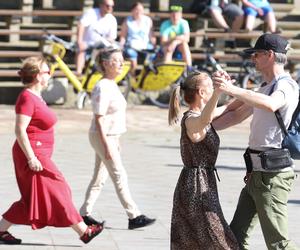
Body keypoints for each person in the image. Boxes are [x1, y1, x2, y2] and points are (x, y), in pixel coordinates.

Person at [0, 56, 103, 245]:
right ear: (38, 76)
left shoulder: (36, 96)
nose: (50, 75)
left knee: (32, 199)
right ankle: (84, 231)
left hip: (39, 153)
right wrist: (31, 158)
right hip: (32, 154)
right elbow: (20, 129)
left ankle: (0, 230)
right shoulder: (26, 97)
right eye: (48, 72)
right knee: (59, 190)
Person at [213, 33, 299, 249]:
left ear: (270, 55)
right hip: (256, 174)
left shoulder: (286, 86)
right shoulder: (264, 87)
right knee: (235, 237)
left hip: (272, 177)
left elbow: (271, 104)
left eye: (256, 54)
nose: (253, 59)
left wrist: (232, 89)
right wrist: (201, 127)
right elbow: (235, 116)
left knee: (278, 243)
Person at [79, 47, 156, 230]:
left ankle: (84, 214)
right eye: (117, 61)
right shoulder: (102, 86)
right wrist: (106, 145)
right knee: (119, 175)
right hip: (103, 136)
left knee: (99, 178)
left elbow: (113, 117)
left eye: (122, 60)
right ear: (105, 64)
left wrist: (116, 140)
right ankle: (134, 216)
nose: (122, 64)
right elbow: (99, 117)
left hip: (110, 136)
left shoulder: (112, 84)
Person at [168, 71, 239, 250]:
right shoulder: (191, 120)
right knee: (218, 240)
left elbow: (232, 107)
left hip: (202, 184)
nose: (213, 89)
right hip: (195, 188)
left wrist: (237, 90)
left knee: (199, 241)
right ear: (201, 92)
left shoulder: (203, 115)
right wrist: (218, 92)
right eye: (210, 87)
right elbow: (204, 118)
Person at [76, 0, 117, 75]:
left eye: (112, 6)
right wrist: (79, 41)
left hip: (102, 46)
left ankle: (108, 74)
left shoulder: (112, 19)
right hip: (88, 43)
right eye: (107, 6)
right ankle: (79, 73)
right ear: (101, 5)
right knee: (81, 49)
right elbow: (81, 25)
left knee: (113, 51)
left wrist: (106, 41)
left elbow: (112, 38)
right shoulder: (91, 13)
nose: (110, 8)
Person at [119, 2, 156, 76]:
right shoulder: (127, 20)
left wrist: (154, 45)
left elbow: (151, 35)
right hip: (131, 45)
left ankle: (145, 77)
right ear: (132, 11)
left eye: (141, 10)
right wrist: (120, 46)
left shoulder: (148, 20)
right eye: (136, 9)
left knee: (152, 55)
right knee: (131, 57)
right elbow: (123, 36)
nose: (138, 12)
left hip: (145, 45)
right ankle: (132, 78)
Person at [159, 5, 192, 70]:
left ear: (181, 15)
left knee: (184, 45)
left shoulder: (184, 23)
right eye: (173, 15)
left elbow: (187, 39)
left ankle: (189, 69)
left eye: (177, 14)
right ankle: (166, 70)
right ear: (170, 15)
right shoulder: (165, 24)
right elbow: (163, 42)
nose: (175, 17)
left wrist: (175, 42)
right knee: (168, 49)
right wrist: (174, 39)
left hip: (179, 46)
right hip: (167, 47)